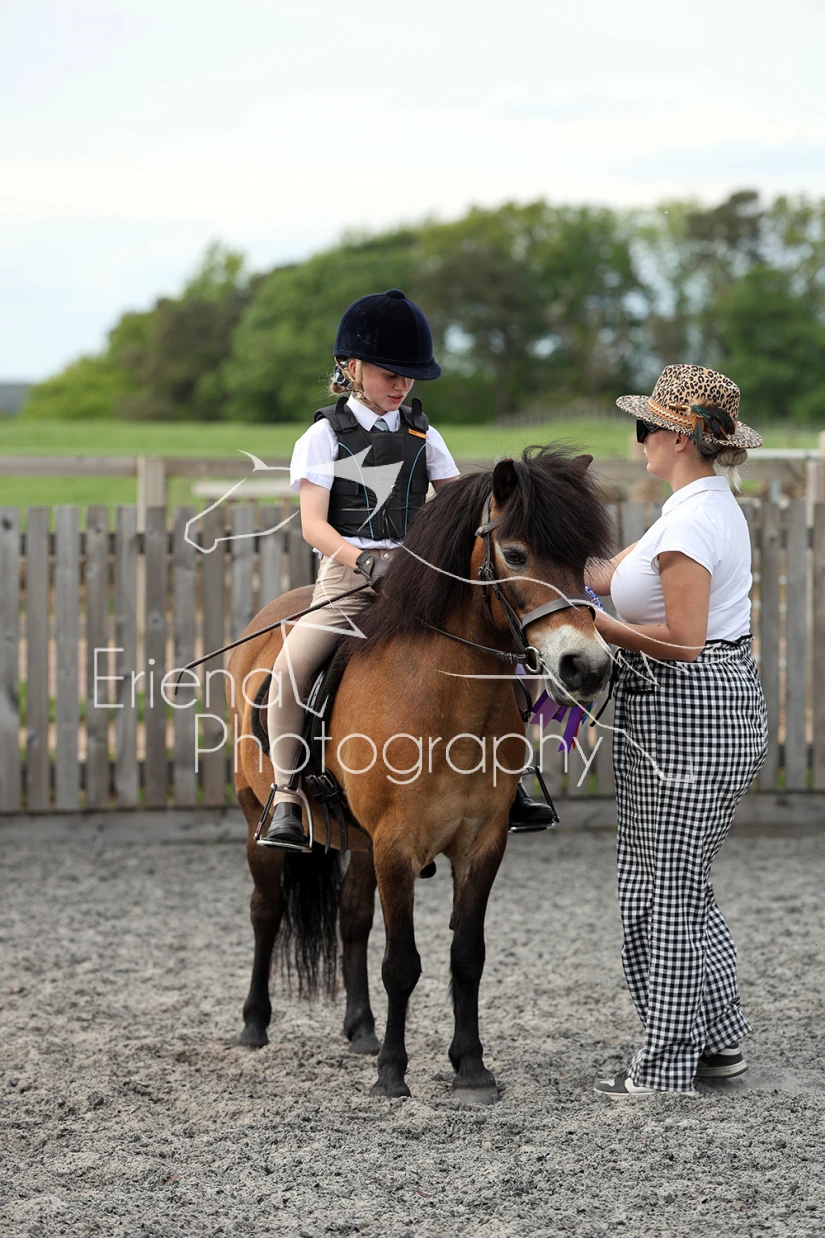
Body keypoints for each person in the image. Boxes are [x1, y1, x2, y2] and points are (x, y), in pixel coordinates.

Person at [259, 288, 556, 851]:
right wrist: (365, 561)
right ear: (352, 368)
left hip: (420, 580)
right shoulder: (322, 436)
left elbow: (464, 506)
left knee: (518, 657)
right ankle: (285, 794)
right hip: (350, 581)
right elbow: (314, 527)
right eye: (389, 374)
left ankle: (513, 777)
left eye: (409, 377)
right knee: (290, 669)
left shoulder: (424, 434)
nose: (401, 386)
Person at [585, 364, 768, 1098]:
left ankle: (664, 1067)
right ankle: (718, 1044)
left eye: (646, 427)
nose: (639, 441)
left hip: (688, 708)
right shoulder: (693, 505)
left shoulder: (690, 521)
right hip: (691, 709)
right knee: (679, 888)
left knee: (660, 896)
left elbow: (686, 642)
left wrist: (596, 629)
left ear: (678, 438)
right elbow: (608, 575)